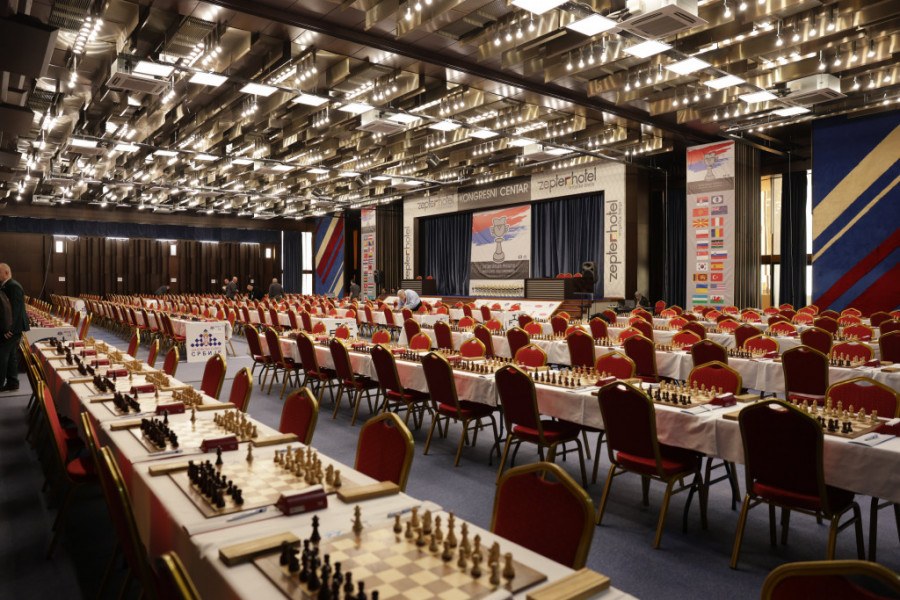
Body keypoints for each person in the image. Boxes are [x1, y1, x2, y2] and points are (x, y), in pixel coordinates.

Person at [0, 264, 29, 392]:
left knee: (2, 354)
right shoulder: (7, 285)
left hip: (13, 328)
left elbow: (15, 310)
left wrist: (9, 329)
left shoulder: (14, 286)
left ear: (6, 272)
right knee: (11, 354)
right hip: (12, 328)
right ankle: (12, 382)